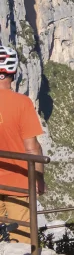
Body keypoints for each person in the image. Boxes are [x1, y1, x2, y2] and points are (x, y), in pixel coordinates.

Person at [0, 45, 45, 241]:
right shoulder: (22, 103)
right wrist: (39, 178)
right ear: (14, 72)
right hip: (18, 182)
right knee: (22, 239)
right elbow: (31, 148)